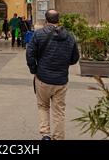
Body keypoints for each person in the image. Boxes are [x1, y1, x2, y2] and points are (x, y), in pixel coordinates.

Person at [26, 9, 79, 141]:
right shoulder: (70, 36)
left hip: (42, 78)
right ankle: (59, 137)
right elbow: (74, 58)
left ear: (46, 20)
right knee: (59, 110)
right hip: (61, 80)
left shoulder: (39, 34)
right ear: (58, 20)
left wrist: (34, 70)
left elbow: (30, 54)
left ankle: (46, 135)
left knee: (43, 106)